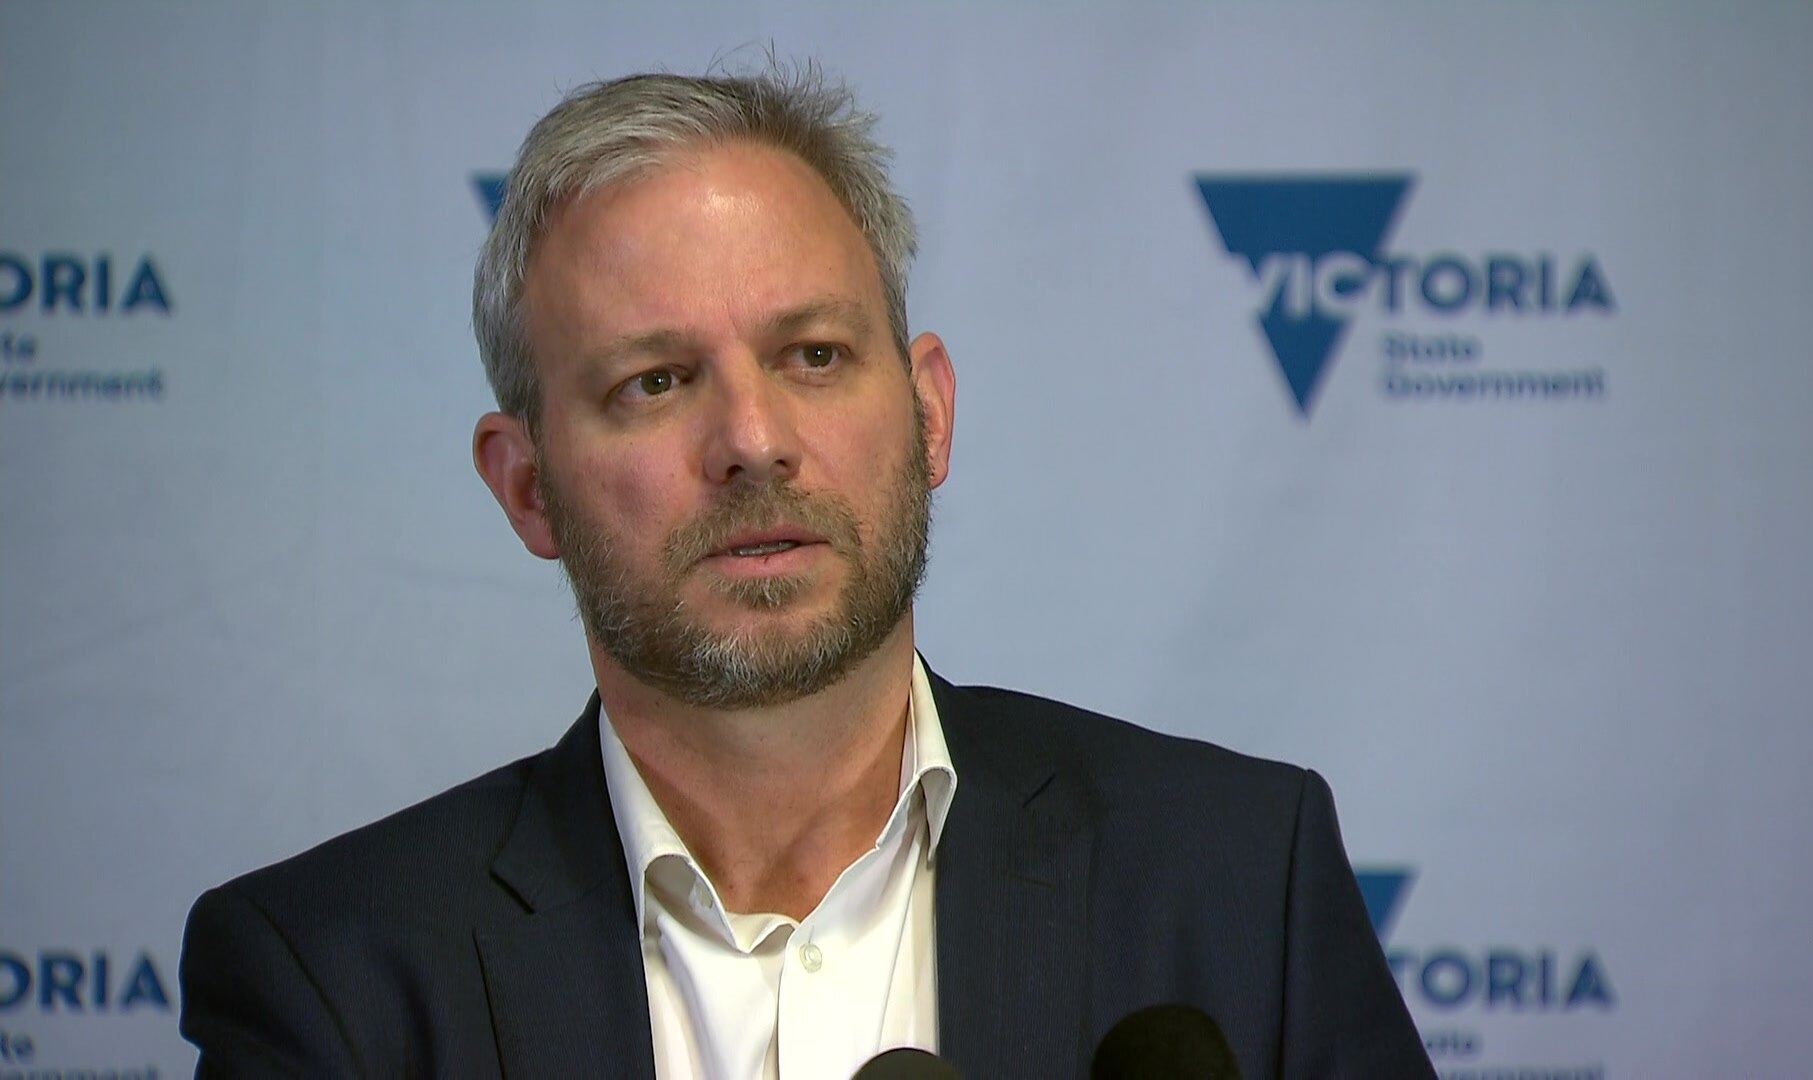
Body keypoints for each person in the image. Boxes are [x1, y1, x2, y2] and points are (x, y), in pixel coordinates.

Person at [179, 63, 1432, 1079]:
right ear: (527, 487)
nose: (753, 439)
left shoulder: (1238, 880)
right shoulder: (332, 977)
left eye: (815, 355)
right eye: (655, 382)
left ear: (930, 413)